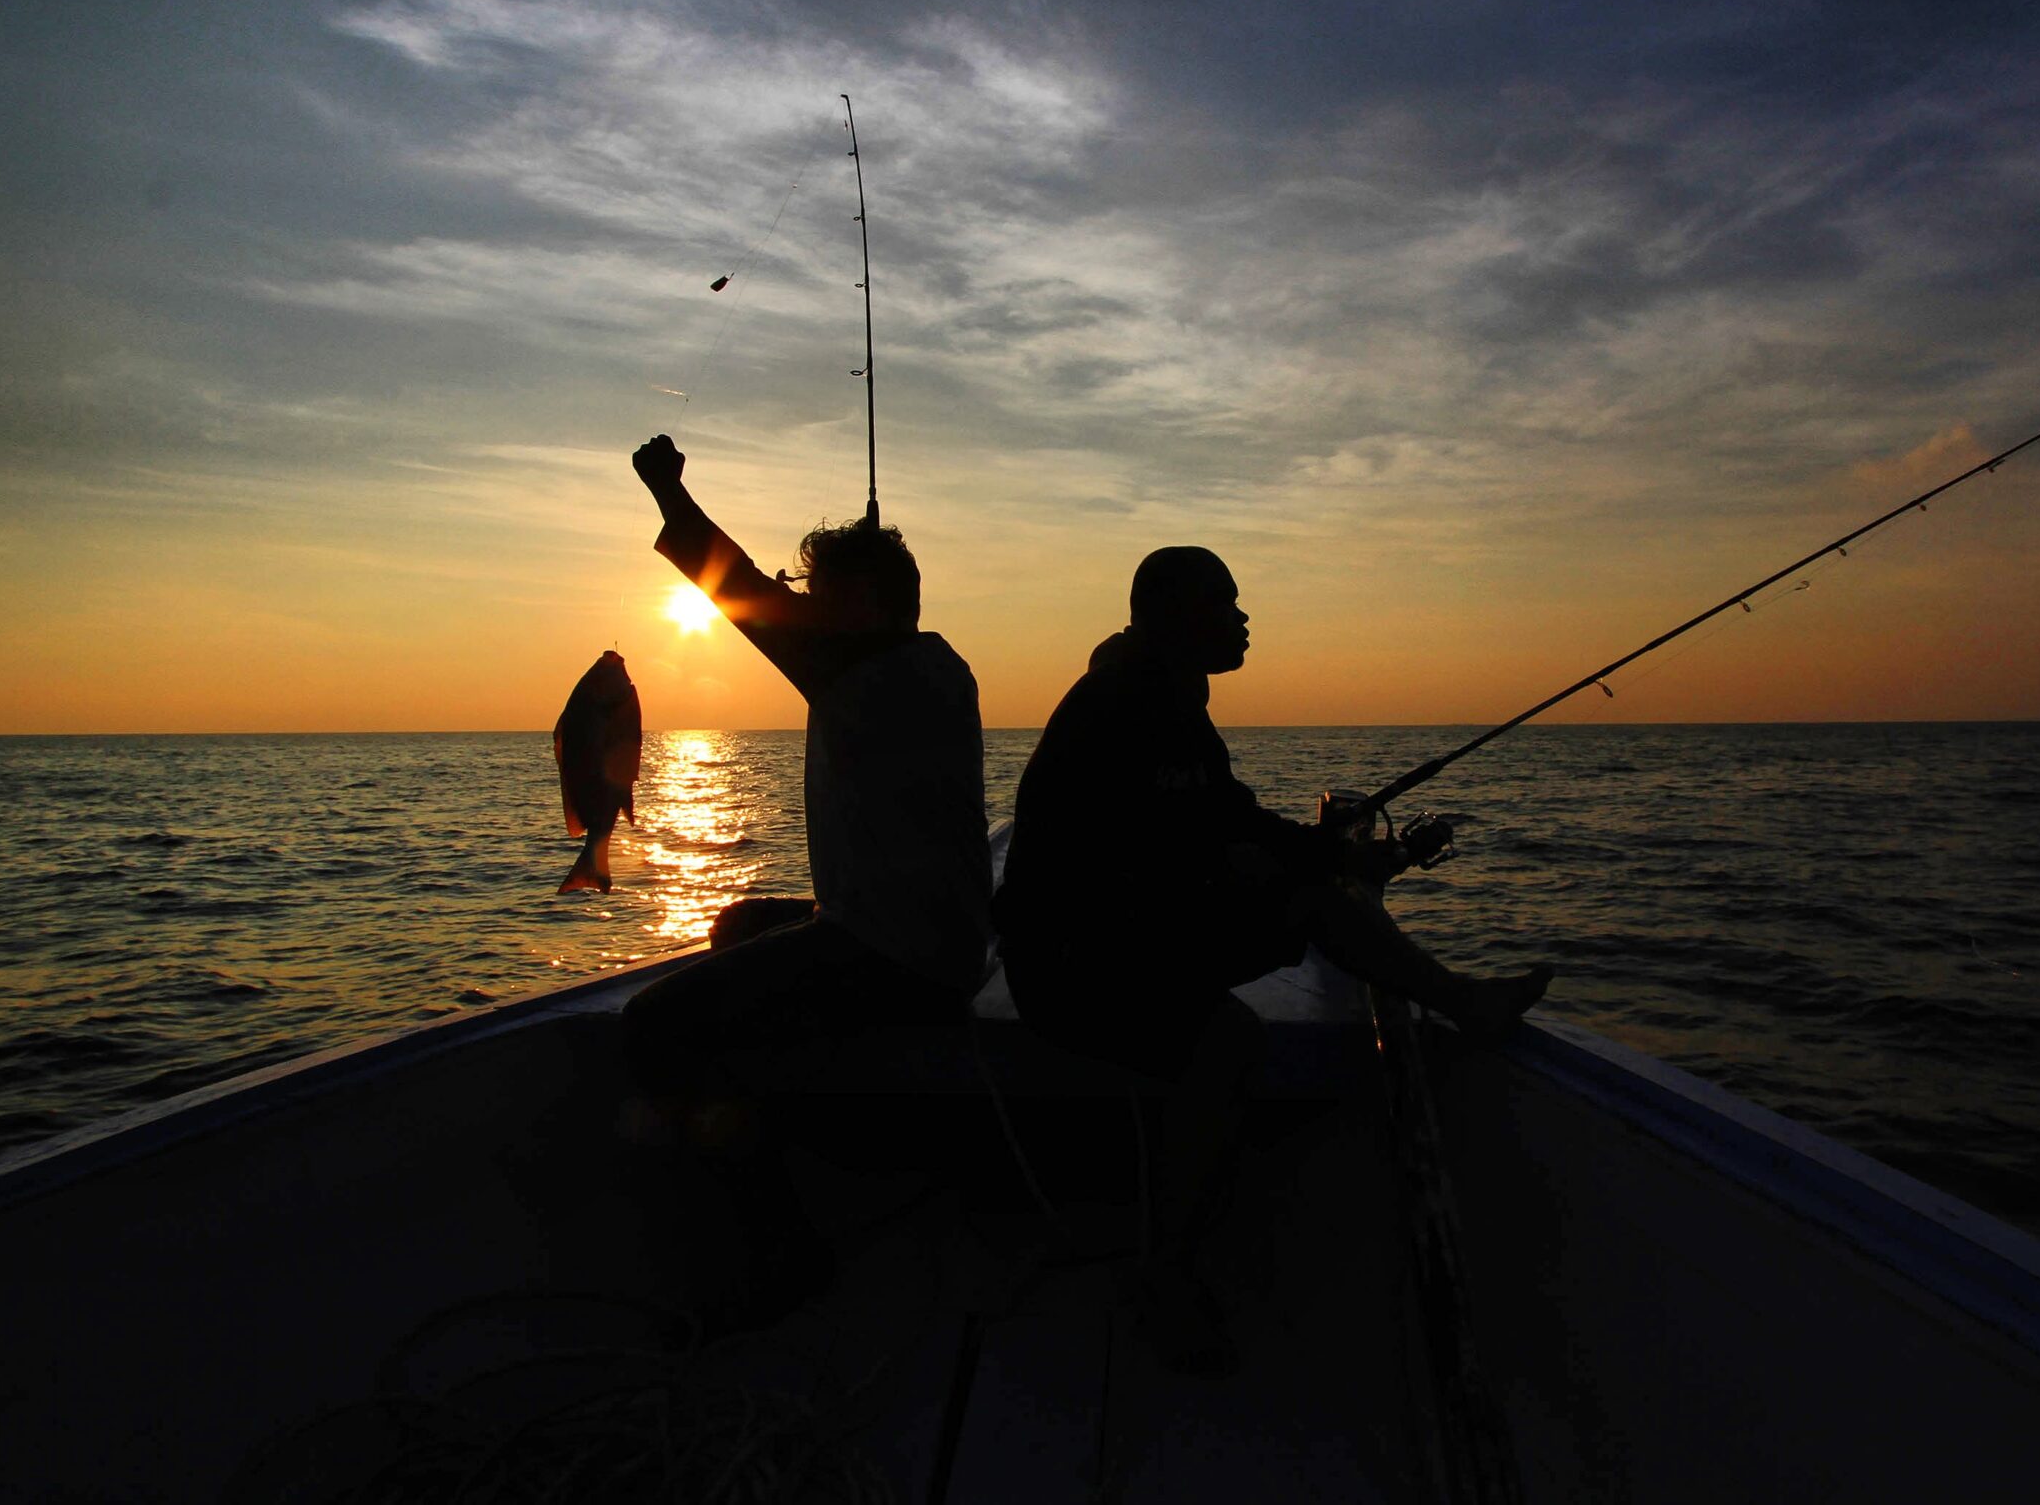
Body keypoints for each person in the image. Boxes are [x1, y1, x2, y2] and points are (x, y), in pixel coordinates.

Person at [995, 545, 1551, 1370]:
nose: (1244, 618)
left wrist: (1319, 855)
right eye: (1227, 602)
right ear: (1178, 615)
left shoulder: (1163, 693)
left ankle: (1460, 998)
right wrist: (1324, 860)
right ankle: (1169, 1269)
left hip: (1118, 934)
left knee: (1311, 897)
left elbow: (1226, 826)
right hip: (1074, 967)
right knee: (1229, 1034)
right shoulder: (1139, 703)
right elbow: (1214, 843)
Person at [620, 434, 994, 1318]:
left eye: (819, 593)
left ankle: (781, 1247)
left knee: (652, 1027)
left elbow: (736, 587)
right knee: (741, 927)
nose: (801, 603)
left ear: (865, 604)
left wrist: (670, 493)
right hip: (933, 939)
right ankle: (803, 1123)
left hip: (894, 958)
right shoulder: (935, 666)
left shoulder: (861, 674)